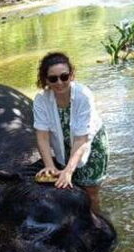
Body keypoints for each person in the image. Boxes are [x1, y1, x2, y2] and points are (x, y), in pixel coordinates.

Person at [33, 51, 108, 213]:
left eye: (64, 76)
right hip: (63, 142)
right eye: (53, 78)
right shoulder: (41, 100)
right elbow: (42, 137)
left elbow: (81, 139)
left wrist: (68, 170)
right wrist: (50, 167)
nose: (59, 82)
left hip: (89, 142)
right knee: (68, 186)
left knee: (90, 191)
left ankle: (98, 222)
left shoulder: (83, 95)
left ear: (71, 75)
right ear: (45, 80)